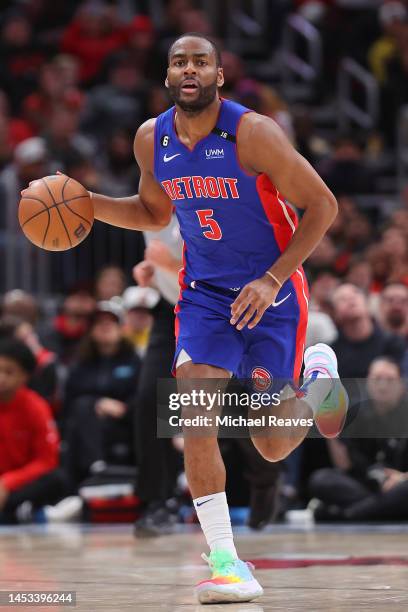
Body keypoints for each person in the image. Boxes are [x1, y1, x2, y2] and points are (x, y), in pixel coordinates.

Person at [23, 33, 348, 604]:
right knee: (195, 409)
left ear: (220, 76)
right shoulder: (152, 139)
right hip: (203, 296)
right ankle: (226, 562)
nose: (190, 69)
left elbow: (323, 205)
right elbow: (153, 212)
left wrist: (272, 278)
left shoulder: (254, 134)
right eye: (180, 62)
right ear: (169, 76)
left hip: (270, 288)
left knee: (271, 444)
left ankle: (320, 380)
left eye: (201, 61)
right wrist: (85, 203)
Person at [0, 339, 66, 524]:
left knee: (57, 479)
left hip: (20, 483)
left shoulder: (36, 407)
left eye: (9, 372)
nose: (1, 377)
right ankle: (23, 511)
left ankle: (18, 509)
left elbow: (47, 460)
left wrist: (7, 482)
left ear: (24, 376)